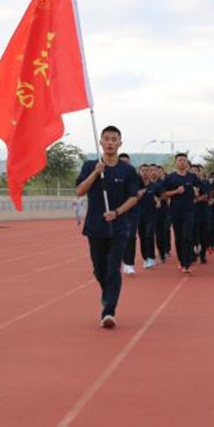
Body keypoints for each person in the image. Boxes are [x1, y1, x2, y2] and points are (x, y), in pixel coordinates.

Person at [76, 126, 140, 329]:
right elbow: (79, 191)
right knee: (99, 270)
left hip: (119, 226)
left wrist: (117, 212)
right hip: (95, 226)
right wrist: (96, 173)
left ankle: (109, 311)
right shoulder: (90, 165)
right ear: (101, 142)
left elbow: (133, 197)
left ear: (120, 143)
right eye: (107, 139)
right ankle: (108, 294)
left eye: (114, 139)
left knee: (113, 267)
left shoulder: (127, 170)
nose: (110, 142)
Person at [162, 153, 203, 274]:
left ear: (187, 163)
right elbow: (163, 194)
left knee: (187, 236)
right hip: (175, 211)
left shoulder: (192, 177)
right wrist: (175, 191)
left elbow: (203, 191)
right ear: (176, 162)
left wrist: (197, 193)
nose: (182, 162)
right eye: (180, 160)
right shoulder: (170, 178)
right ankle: (181, 260)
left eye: (184, 160)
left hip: (189, 211)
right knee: (179, 237)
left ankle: (187, 263)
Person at [118, 154, 147, 276]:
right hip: (117, 211)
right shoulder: (112, 174)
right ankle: (119, 260)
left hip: (132, 211)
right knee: (118, 237)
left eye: (127, 162)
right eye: (122, 162)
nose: (125, 164)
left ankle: (129, 263)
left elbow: (144, 188)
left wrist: (139, 193)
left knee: (130, 236)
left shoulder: (135, 175)